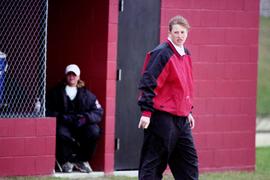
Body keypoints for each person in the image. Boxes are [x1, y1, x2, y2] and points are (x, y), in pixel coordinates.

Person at [137, 15, 199, 179]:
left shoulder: (186, 53)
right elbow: (148, 82)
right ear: (169, 33)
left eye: (183, 32)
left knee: (188, 164)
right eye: (176, 32)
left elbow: (183, 86)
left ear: (188, 32)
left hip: (181, 119)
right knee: (154, 164)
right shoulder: (162, 53)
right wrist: (146, 113)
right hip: (161, 118)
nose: (180, 36)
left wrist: (189, 111)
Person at [46, 64, 103, 173]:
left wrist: (86, 119)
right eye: (69, 74)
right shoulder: (56, 93)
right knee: (61, 133)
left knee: (94, 131)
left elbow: (98, 112)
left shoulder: (88, 94)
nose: (71, 77)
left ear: (78, 77)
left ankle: (82, 159)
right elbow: (47, 109)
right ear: (66, 76)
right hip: (64, 123)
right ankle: (66, 160)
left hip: (80, 124)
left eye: (74, 75)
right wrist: (60, 117)